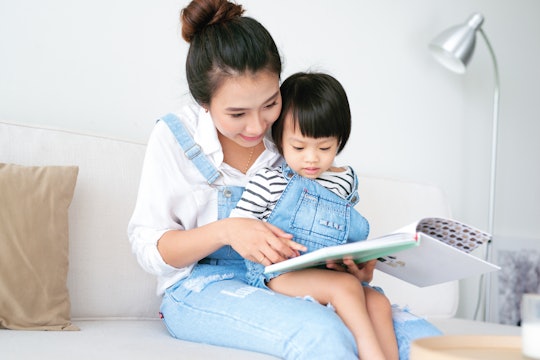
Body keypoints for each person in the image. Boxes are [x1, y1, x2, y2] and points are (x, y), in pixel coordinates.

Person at [128, 0, 443, 358]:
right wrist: (228, 231)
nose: (258, 125)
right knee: (322, 332)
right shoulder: (175, 138)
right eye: (236, 113)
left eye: (269, 103)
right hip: (203, 285)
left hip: (291, 277)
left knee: (423, 342)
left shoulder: (292, 134)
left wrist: (349, 263)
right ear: (204, 102)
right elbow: (148, 247)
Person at [230, 72, 398, 360]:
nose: (312, 158)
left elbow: (343, 231)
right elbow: (237, 228)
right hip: (279, 275)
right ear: (279, 139)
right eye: (298, 147)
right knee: (345, 288)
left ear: (339, 142)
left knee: (379, 302)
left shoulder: (343, 182)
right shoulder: (270, 181)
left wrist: (358, 258)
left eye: (324, 148)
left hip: (327, 273)